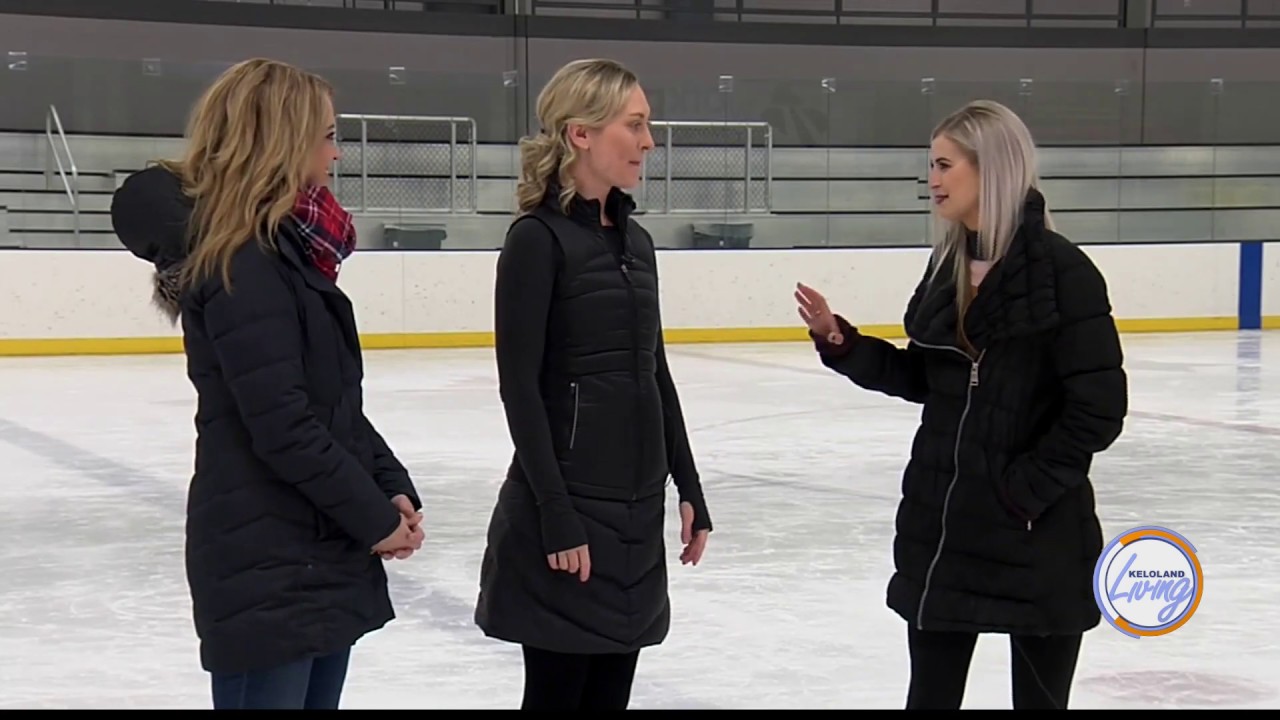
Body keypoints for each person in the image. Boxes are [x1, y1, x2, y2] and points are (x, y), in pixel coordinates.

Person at [109, 58, 425, 710]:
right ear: (282, 142)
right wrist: (370, 515)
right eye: (327, 136)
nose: (336, 154)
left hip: (313, 551)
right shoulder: (242, 264)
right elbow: (281, 424)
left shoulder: (287, 253)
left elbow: (331, 404)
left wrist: (390, 486)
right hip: (270, 561)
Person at [794, 100, 1128, 710]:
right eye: (933, 165)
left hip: (1034, 538)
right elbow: (926, 377)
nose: (934, 179)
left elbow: (1099, 410)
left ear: (991, 169)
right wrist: (843, 343)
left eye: (945, 165)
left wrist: (1021, 489)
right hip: (944, 531)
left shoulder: (1065, 273)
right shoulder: (947, 265)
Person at [473, 58, 713, 711]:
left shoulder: (637, 244)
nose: (648, 142)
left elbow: (653, 372)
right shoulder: (536, 242)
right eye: (634, 125)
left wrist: (687, 485)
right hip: (569, 519)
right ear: (580, 133)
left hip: (634, 520)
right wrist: (557, 514)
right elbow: (518, 389)